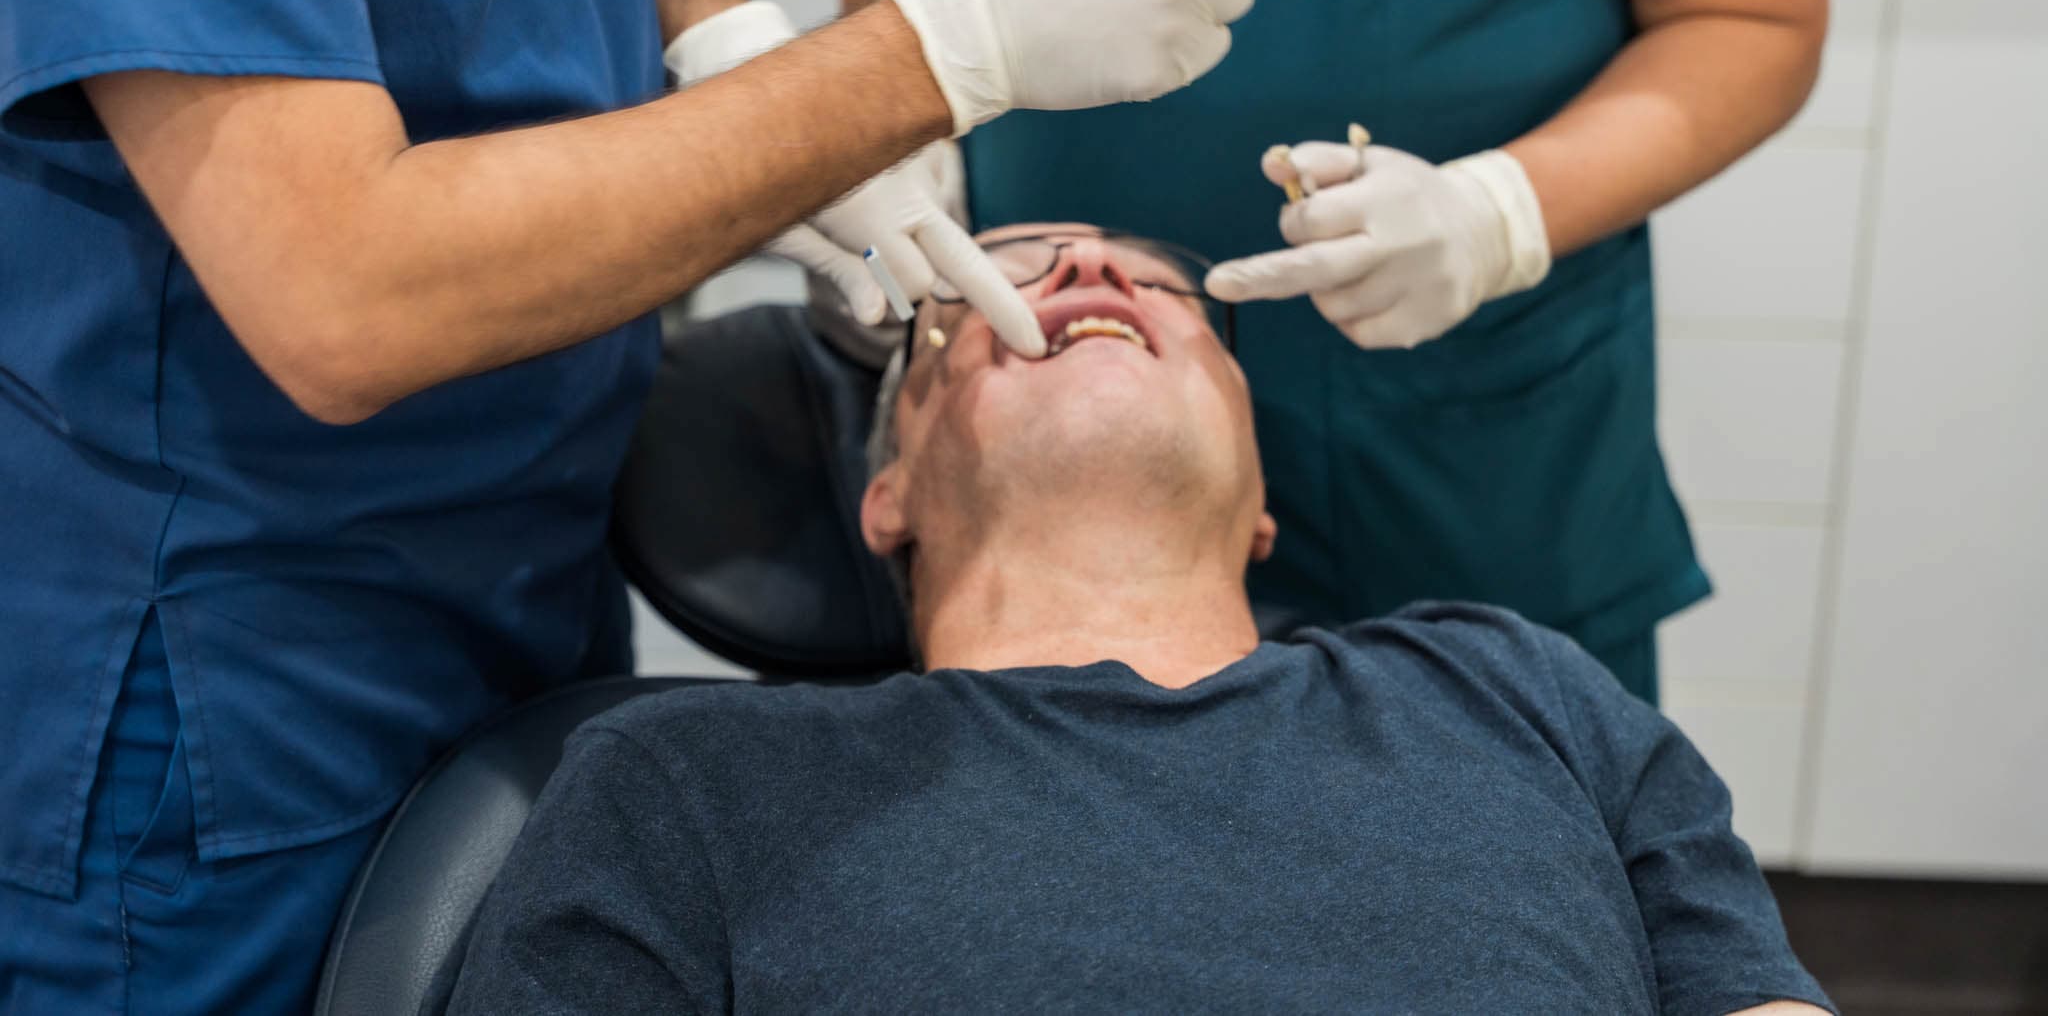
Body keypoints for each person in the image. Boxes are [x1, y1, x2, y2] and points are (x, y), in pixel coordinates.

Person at [0, 0, 1294, 1003]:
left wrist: (709, 24)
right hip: (241, 681)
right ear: (886, 498)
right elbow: (337, 295)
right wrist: (928, 50)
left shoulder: (1490, 696)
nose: (1091, 272)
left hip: (530, 567)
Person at [760, 0, 1874, 702]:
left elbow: (1748, 15)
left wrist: (1496, 215)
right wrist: (899, 124)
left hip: (1441, 445)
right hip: (1035, 443)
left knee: (1486, 856)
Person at [447, 225, 1833, 1015]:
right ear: (888, 491)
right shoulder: (689, 786)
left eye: (1156, 287)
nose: (1094, 275)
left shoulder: (1515, 689)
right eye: (1005, 284)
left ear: (1262, 500)